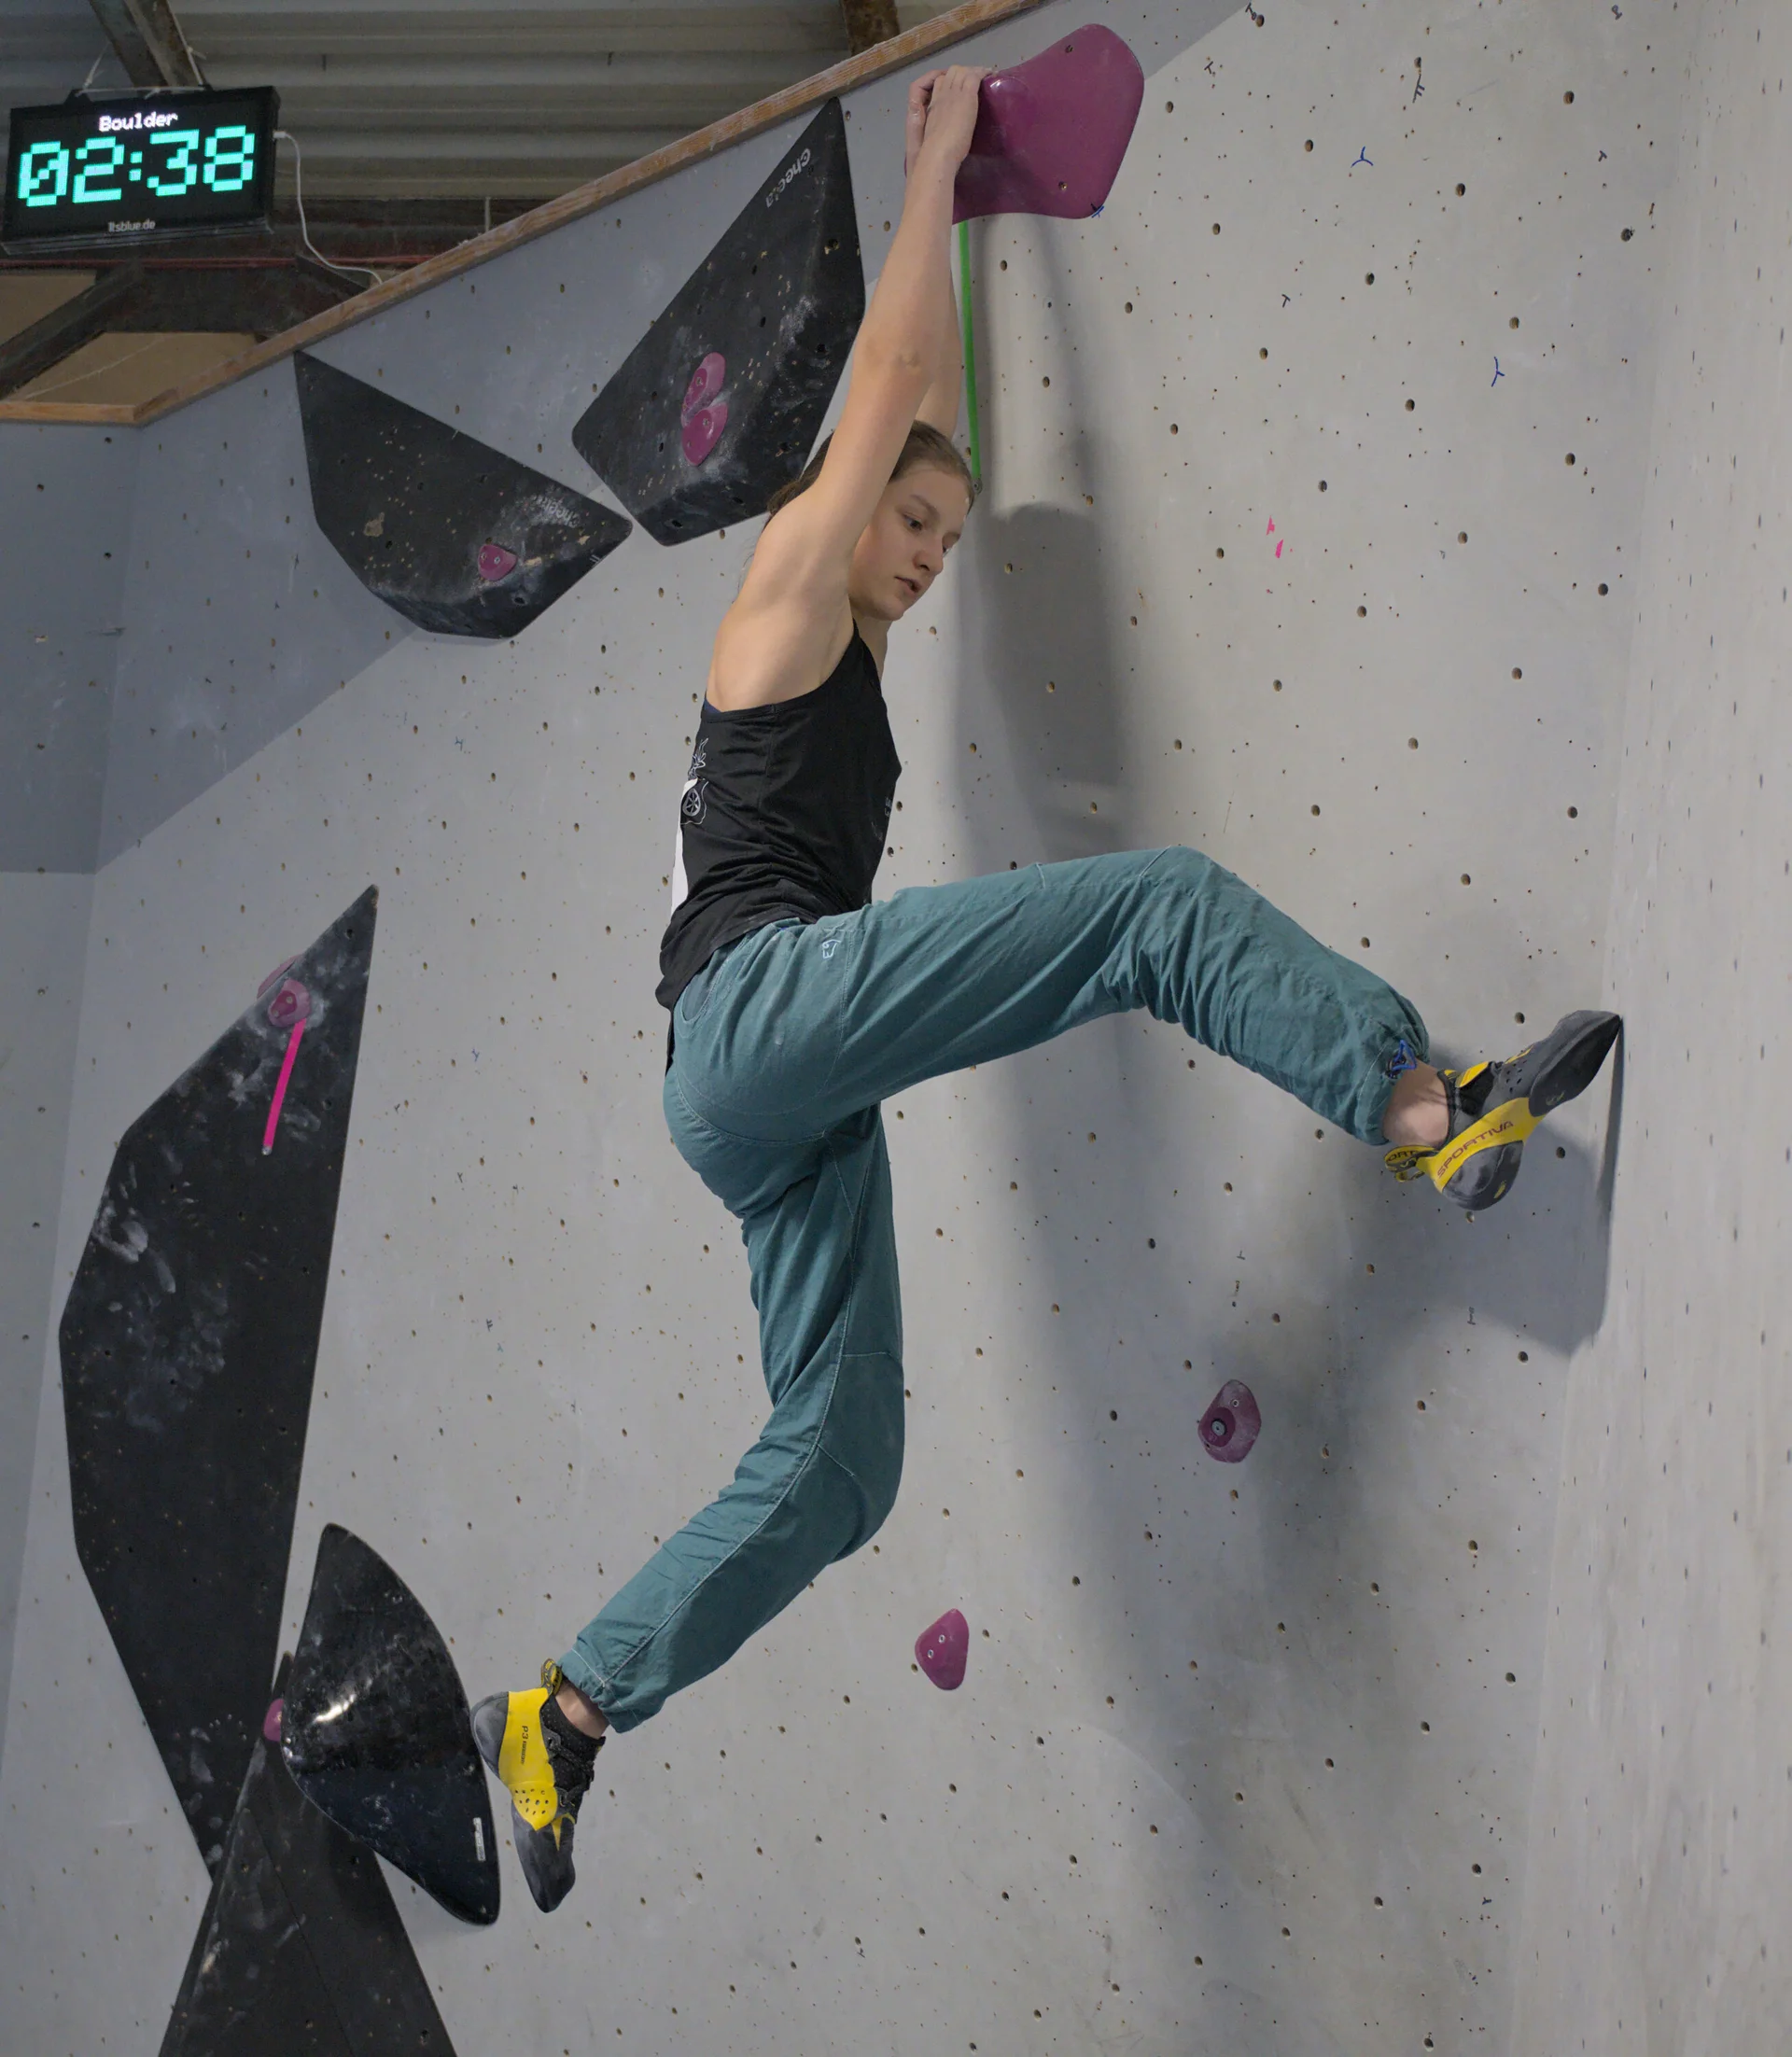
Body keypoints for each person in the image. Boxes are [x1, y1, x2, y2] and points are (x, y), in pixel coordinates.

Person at [474, 65, 1620, 1912]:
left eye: (938, 547)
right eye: (910, 534)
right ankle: (1421, 1105)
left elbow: (942, 428)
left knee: (842, 1466)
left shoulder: (833, 649)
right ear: (841, 515)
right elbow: (899, 394)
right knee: (1151, 906)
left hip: (768, 1094)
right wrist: (934, 171)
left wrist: (991, 319)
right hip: (756, 1016)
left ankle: (570, 1703)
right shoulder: (779, 592)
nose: (925, 569)